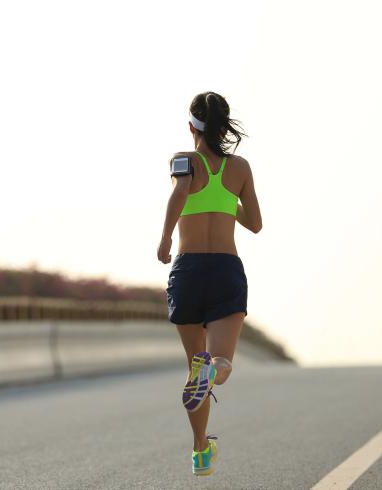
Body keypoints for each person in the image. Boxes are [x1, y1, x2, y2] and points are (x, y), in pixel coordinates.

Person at [157, 91, 262, 477]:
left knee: (193, 365)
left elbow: (180, 192)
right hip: (225, 269)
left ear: (191, 127)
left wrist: (166, 238)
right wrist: (225, 197)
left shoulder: (182, 160)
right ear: (222, 127)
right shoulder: (240, 168)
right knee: (221, 361)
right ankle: (212, 374)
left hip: (187, 270)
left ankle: (201, 451)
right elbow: (255, 223)